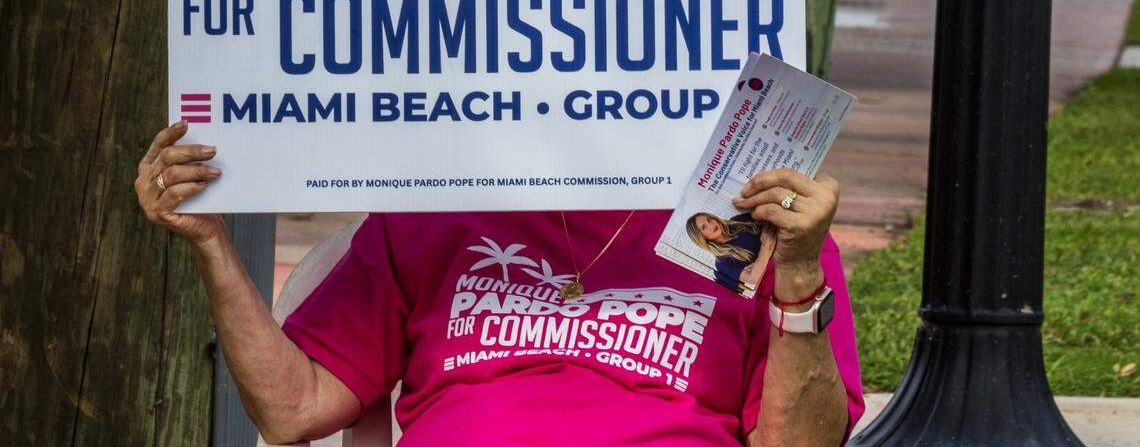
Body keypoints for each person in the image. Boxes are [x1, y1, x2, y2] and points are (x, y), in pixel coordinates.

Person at [135, 120, 864, 447]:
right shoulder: (439, 204)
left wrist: (798, 275)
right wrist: (212, 243)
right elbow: (292, 410)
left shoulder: (757, 225)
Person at [686, 212, 777, 292]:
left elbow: (768, 220)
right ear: (701, 237)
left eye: (709, 219)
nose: (711, 225)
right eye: (704, 227)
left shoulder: (738, 220)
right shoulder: (722, 262)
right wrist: (766, 244)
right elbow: (754, 278)